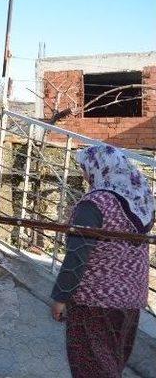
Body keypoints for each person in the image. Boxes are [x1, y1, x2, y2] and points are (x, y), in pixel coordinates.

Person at [50, 144, 155, 378]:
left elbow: (77, 256)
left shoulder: (95, 204)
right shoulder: (140, 200)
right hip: (130, 301)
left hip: (95, 302)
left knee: (92, 368)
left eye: (85, 168)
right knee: (111, 365)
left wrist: (60, 297)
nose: (84, 174)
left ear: (100, 168)